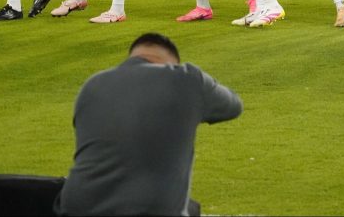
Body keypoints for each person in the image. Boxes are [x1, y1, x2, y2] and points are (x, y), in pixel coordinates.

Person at [54, 33, 242, 217]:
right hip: (148, 209)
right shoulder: (186, 78)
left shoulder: (92, 84)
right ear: (172, 62)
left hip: (75, 207)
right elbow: (233, 106)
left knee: (191, 209)